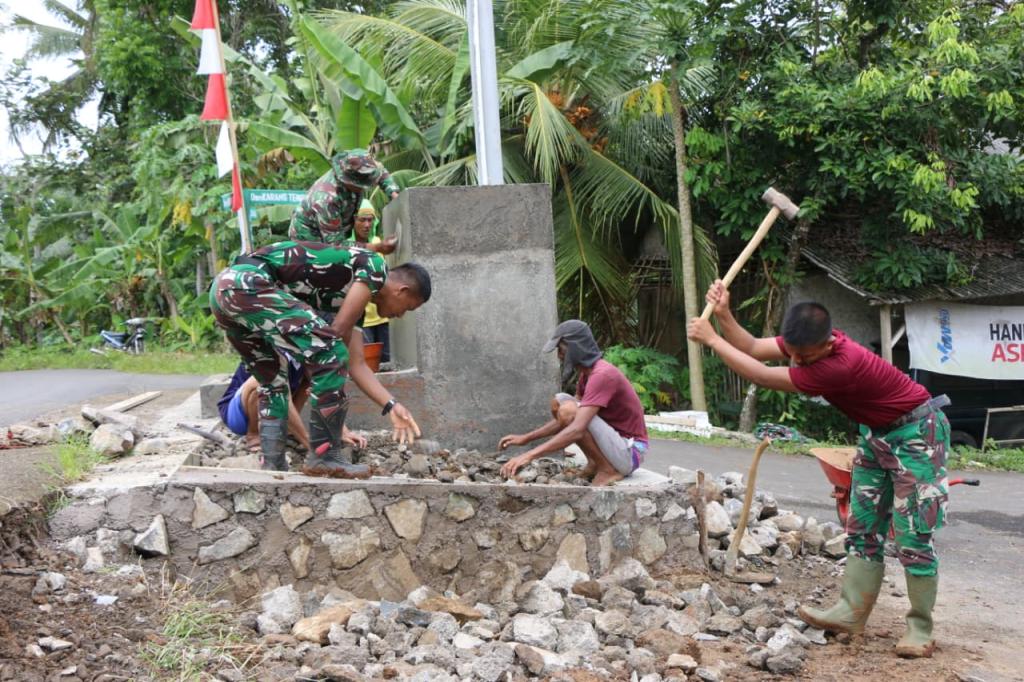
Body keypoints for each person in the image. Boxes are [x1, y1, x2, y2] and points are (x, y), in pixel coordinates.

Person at [687, 280, 950, 659]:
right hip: (876, 434)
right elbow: (753, 348)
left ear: (827, 345)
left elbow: (761, 375)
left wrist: (712, 340)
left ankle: (920, 629)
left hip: (917, 434)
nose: (797, 362)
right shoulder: (808, 343)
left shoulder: (839, 364)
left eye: (804, 358)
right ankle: (850, 613)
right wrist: (725, 314)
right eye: (791, 354)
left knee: (912, 535)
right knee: (860, 528)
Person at [209, 240, 431, 477]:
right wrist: (325, 393)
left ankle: (273, 464)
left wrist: (391, 405)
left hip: (224, 292)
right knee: (330, 353)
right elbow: (333, 344)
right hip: (246, 284)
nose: (400, 315)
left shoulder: (357, 296)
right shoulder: (375, 266)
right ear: (402, 291)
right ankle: (324, 456)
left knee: (273, 378)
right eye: (407, 308)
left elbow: (356, 364)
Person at [498, 320, 649, 486]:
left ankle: (607, 470)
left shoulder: (602, 375)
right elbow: (566, 422)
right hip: (616, 447)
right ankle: (595, 463)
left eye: (561, 349)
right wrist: (526, 438)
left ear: (575, 347)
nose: (559, 355)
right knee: (561, 401)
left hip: (630, 453)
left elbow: (576, 428)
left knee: (569, 409)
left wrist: (528, 455)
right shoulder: (586, 375)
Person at [217, 358, 367, 456]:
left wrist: (341, 430)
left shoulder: (303, 355)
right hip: (238, 414)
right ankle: (254, 436)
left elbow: (322, 389)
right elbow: (277, 391)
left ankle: (288, 431)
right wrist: (310, 444)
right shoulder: (269, 348)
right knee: (266, 380)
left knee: (310, 380)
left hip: (271, 407)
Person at [289, 148, 400, 250]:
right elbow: (336, 246)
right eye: (360, 185)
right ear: (348, 181)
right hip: (309, 240)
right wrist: (377, 247)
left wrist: (393, 193)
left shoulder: (362, 163)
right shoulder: (327, 200)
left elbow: (380, 171)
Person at [351, 202, 391, 365]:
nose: (367, 224)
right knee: (366, 361)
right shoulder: (346, 246)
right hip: (362, 318)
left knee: (388, 360)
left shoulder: (378, 242)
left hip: (383, 317)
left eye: (370, 220)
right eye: (362, 220)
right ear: (353, 221)